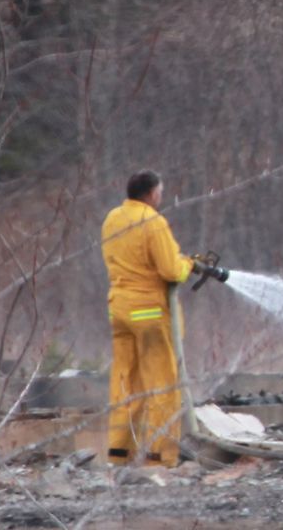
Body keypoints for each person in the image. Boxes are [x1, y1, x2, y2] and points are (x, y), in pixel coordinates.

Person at [100, 171, 197, 467]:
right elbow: (171, 270)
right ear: (152, 194)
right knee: (163, 386)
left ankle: (119, 454)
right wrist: (189, 265)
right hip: (150, 315)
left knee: (125, 384)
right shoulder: (153, 222)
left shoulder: (112, 218)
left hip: (119, 311)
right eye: (160, 192)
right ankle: (160, 456)